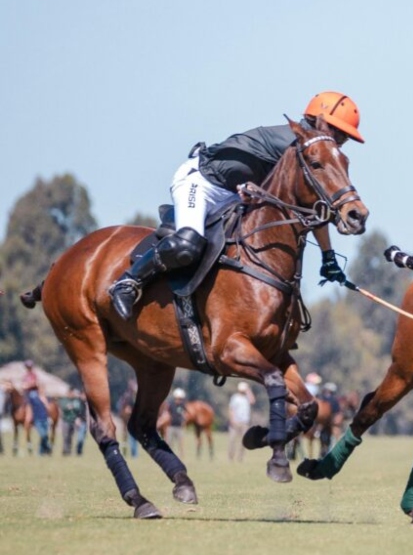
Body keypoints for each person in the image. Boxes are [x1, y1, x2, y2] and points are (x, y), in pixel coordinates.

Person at [108, 91, 365, 320]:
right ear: (320, 123)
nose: (341, 142)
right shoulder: (293, 145)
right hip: (203, 182)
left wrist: (328, 256)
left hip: (233, 194)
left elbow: (315, 205)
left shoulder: (310, 152)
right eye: (340, 134)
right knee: (188, 243)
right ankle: (129, 282)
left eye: (345, 138)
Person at [21, 360, 52, 455]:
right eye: (27, 367)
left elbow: (35, 384)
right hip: (27, 394)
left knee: (34, 396)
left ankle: (43, 450)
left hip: (33, 394)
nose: (29, 368)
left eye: (30, 366)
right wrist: (28, 385)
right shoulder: (25, 376)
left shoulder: (34, 375)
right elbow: (23, 386)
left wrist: (29, 385)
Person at [228, 381, 255, 461]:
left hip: (245, 422)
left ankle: (240, 457)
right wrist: (232, 420)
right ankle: (231, 457)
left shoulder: (247, 398)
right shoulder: (235, 397)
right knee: (232, 440)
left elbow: (252, 401)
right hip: (236, 421)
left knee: (243, 441)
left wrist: (248, 390)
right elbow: (231, 409)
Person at [59, 387, 87, 456]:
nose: (72, 394)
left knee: (70, 436)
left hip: (72, 421)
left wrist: (71, 407)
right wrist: (69, 407)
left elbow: (77, 408)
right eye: (71, 393)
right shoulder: (64, 400)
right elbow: (64, 407)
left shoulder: (75, 400)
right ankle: (65, 450)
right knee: (66, 436)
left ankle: (68, 451)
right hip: (66, 420)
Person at [165, 387, 187, 457]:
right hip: (171, 426)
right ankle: (168, 454)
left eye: (180, 398)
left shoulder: (182, 405)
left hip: (179, 427)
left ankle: (181, 455)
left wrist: (184, 421)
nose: (179, 400)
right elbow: (168, 412)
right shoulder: (171, 404)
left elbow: (185, 414)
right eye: (178, 398)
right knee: (169, 442)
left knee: (180, 442)